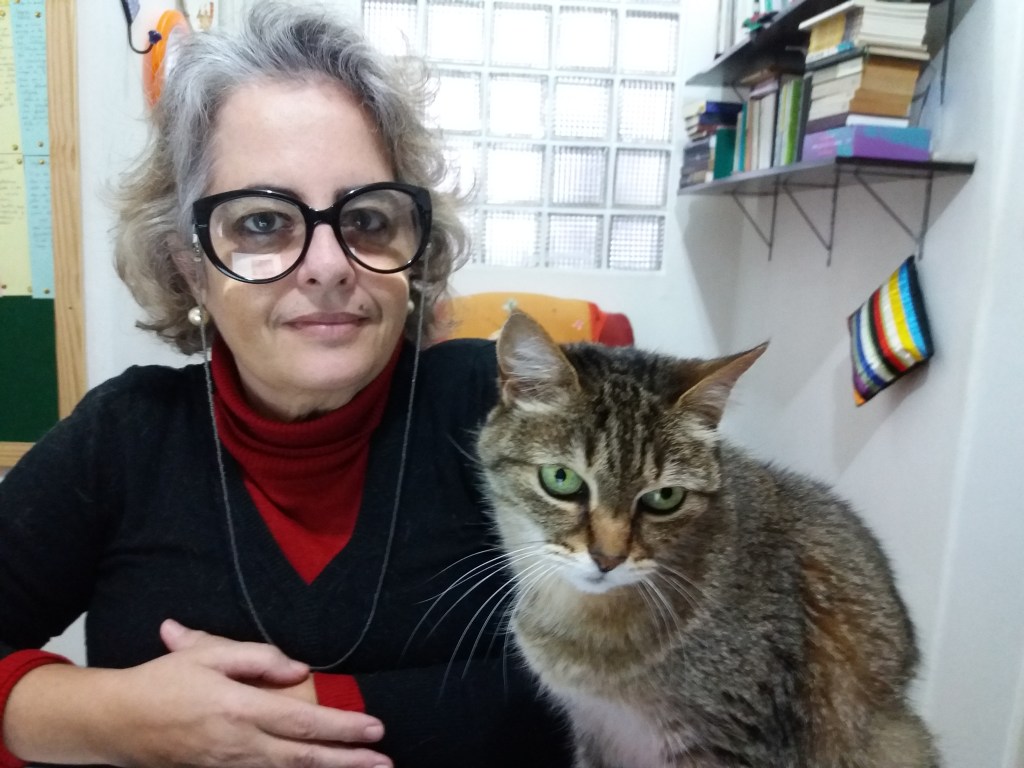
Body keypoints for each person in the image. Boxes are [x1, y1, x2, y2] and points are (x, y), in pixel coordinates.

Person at [0, 4, 571, 767]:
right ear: (189, 266)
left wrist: (299, 716)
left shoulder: (501, 411)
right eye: (263, 223)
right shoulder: (123, 439)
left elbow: (663, 671)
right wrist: (111, 719)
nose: (329, 265)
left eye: (368, 219)